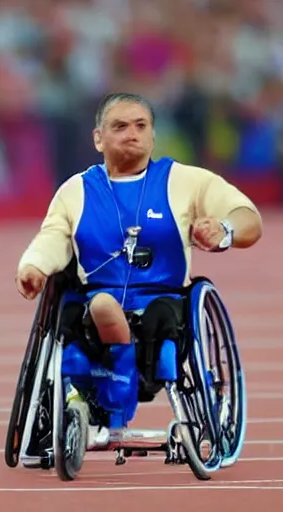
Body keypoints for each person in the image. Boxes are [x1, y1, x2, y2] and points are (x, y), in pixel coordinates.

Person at [13, 92, 263, 448]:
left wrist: (223, 231)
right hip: (95, 301)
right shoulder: (75, 191)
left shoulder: (185, 181)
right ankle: (107, 365)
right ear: (98, 138)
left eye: (141, 125)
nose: (132, 133)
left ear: (153, 135)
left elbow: (247, 217)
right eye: (120, 126)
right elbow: (54, 238)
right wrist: (33, 267)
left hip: (163, 302)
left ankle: (120, 365)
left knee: (153, 314)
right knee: (88, 308)